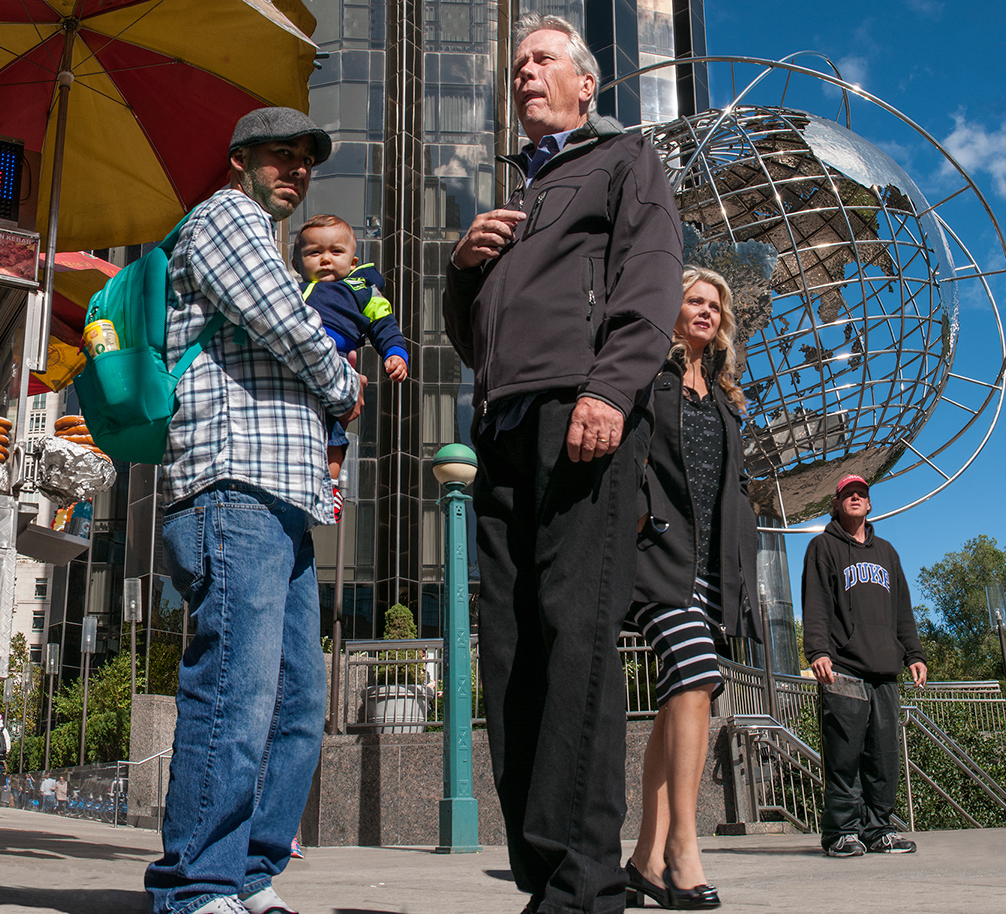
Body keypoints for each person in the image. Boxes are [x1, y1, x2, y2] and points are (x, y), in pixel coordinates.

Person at [443, 14, 682, 914]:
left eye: (541, 60)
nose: (524, 74)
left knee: (573, 637)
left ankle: (586, 886)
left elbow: (653, 278)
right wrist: (462, 270)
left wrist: (612, 390)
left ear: (587, 85)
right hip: (502, 426)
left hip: (579, 417)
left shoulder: (625, 164)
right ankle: (544, 875)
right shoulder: (510, 201)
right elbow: (471, 339)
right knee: (510, 653)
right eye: (516, 65)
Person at [143, 107, 364, 914]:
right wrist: (344, 386)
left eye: (307, 160)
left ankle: (248, 872)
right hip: (232, 484)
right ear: (241, 160)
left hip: (284, 497)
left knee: (298, 699)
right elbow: (289, 324)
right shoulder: (226, 217)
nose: (296, 171)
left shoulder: (260, 234)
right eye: (281, 156)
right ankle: (196, 883)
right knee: (235, 687)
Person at [624, 268, 761, 910]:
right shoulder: (648, 376)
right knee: (697, 678)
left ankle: (645, 858)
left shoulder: (727, 398)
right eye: (692, 299)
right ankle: (684, 845)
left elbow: (730, 492)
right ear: (670, 308)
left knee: (683, 695)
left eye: (713, 304)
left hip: (711, 568)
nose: (704, 310)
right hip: (659, 558)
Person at [803, 475, 928, 857]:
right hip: (843, 668)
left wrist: (914, 654)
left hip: (885, 670)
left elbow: (902, 609)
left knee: (883, 755)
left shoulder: (887, 553)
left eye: (862, 494)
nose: (855, 498)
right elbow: (817, 603)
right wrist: (817, 651)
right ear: (837, 504)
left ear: (870, 504)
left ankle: (879, 829)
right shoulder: (822, 547)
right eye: (848, 495)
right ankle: (841, 832)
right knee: (844, 754)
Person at [292, 213, 409, 518]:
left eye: (336, 252)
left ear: (354, 262)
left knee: (335, 431)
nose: (326, 260)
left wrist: (395, 354)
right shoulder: (293, 290)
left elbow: (384, 325)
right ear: (297, 264)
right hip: (297, 364)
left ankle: (331, 484)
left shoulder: (362, 290)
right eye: (314, 253)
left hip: (338, 362)